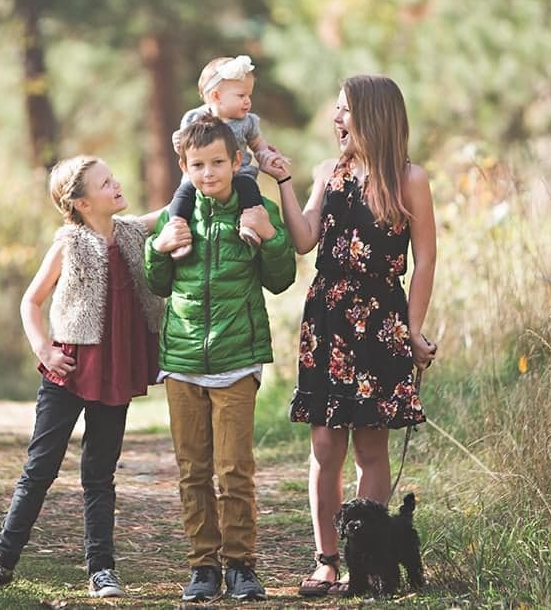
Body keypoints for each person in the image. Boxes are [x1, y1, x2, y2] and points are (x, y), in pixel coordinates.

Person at [258, 75, 438, 597]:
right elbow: (305, 238)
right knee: (324, 444)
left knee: (371, 448)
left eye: (344, 111)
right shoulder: (326, 173)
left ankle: (371, 563)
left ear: (374, 116)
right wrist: (284, 183)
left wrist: (413, 329)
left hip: (382, 321)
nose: (335, 119)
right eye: (335, 110)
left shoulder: (409, 179)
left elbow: (424, 258)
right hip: (329, 319)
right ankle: (327, 561)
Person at [0, 156, 164, 599]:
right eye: (107, 183)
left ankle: (101, 569)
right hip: (67, 370)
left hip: (114, 369)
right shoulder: (68, 244)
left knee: (99, 472)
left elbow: (170, 210)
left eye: (114, 177)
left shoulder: (130, 233)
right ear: (84, 203)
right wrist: (44, 349)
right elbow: (30, 302)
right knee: (40, 469)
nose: (117, 184)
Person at [145, 114, 296, 602]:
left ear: (236, 161)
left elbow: (280, 279)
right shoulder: (177, 217)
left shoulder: (254, 209)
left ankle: (241, 566)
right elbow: (158, 284)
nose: (208, 173)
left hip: (237, 359)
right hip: (183, 361)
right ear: (184, 166)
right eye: (197, 165)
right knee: (192, 470)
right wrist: (158, 249)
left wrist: (269, 236)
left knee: (234, 470)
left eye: (216, 163)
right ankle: (203, 567)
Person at [164, 55, 289, 259]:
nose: (248, 101)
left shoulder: (248, 122)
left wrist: (267, 154)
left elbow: (258, 145)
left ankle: (250, 225)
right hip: (200, 177)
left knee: (249, 189)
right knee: (183, 193)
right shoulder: (194, 119)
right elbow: (186, 149)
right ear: (216, 96)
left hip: (238, 174)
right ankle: (178, 229)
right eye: (241, 95)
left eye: (249, 95)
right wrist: (178, 142)